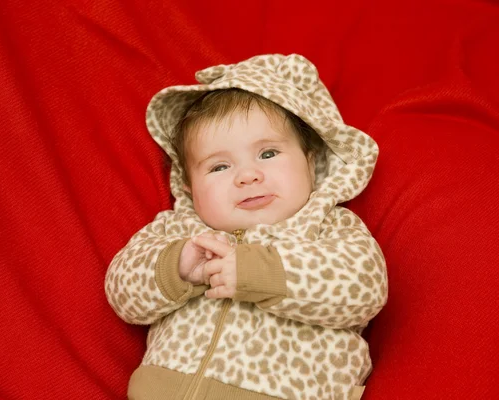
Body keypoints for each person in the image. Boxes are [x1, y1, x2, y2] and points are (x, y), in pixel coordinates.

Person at [105, 54, 388, 400]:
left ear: (311, 164)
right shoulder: (178, 231)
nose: (248, 175)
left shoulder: (327, 226)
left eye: (268, 154)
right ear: (188, 185)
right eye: (219, 166)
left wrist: (262, 274)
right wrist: (175, 268)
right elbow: (121, 290)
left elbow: (364, 288)